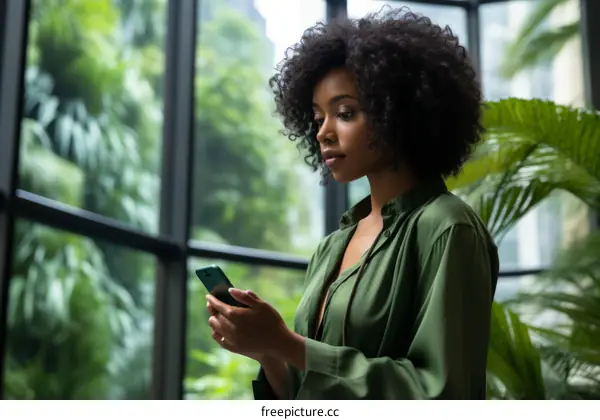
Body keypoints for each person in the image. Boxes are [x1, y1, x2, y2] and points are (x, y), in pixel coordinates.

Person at [205, 7, 499, 400]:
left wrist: (290, 345)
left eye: (345, 113)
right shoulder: (333, 247)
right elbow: (307, 398)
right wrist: (269, 350)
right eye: (317, 116)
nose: (323, 132)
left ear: (399, 113)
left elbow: (443, 393)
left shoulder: (447, 227)